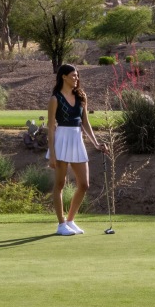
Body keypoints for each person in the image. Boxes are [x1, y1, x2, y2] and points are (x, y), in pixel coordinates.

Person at [46, 64, 107, 236]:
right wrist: (52, 154)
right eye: (73, 75)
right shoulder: (55, 99)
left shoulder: (81, 97)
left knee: (84, 184)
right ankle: (61, 224)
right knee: (60, 184)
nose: (76, 78)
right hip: (61, 140)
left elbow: (85, 123)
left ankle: (70, 220)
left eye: (77, 75)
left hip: (77, 140)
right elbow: (51, 127)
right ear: (64, 77)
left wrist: (96, 144)